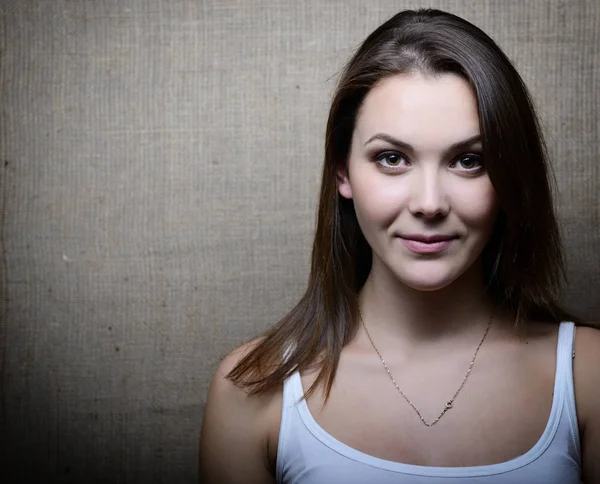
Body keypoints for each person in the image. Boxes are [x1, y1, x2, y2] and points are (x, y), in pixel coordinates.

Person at [199, 8, 599, 484]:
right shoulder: (251, 391)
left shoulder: (588, 376)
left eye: (469, 161)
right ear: (343, 172)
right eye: (392, 158)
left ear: (510, 174)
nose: (429, 203)